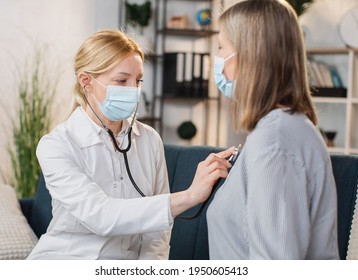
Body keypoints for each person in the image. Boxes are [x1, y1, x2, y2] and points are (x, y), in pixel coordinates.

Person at [27, 30, 234, 260]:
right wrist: (190, 196)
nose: (133, 89)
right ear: (87, 82)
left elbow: (157, 234)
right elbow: (101, 216)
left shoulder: (149, 140)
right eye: (121, 80)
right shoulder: (56, 145)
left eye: (138, 80)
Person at [207, 0, 339, 259]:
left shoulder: (273, 143)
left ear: (249, 56)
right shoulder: (285, 128)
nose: (218, 59)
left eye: (222, 47)